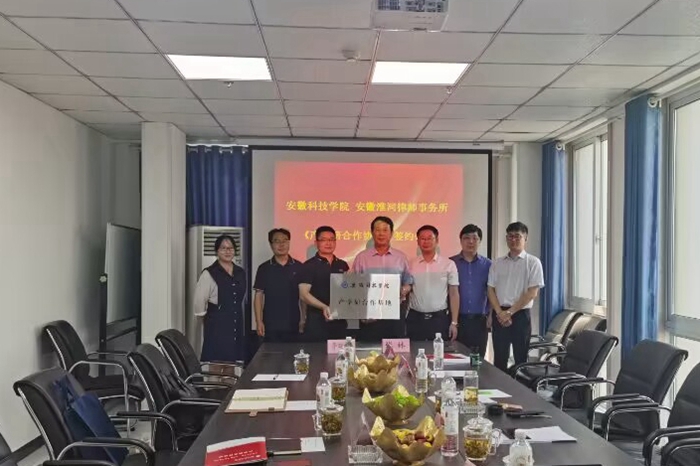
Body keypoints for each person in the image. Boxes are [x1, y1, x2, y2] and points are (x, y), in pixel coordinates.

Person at [487, 222, 545, 372]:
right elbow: (490, 289)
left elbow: (532, 293)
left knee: (521, 358)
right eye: (510, 236)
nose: (513, 240)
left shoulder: (533, 262)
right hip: (500, 314)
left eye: (517, 236)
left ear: (526, 238)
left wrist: (510, 312)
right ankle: (499, 386)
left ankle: (520, 386)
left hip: (520, 315)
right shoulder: (497, 263)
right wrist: (500, 312)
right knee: (500, 358)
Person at [352, 216, 412, 341]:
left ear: (391, 233)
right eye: (378, 230)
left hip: (394, 314)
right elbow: (354, 286)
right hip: (370, 315)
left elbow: (408, 282)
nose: (381, 234)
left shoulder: (401, 257)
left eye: (385, 230)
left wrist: (404, 289)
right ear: (372, 232)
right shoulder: (362, 257)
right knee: (369, 349)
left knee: (395, 350)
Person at [193, 234, 247, 364]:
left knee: (236, 363)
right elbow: (199, 304)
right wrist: (209, 323)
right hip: (217, 326)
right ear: (217, 251)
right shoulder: (209, 273)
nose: (227, 251)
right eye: (223, 248)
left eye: (230, 248)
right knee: (217, 363)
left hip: (237, 323)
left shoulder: (240, 272)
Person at [407, 225, 459, 341]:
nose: (426, 242)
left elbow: (454, 294)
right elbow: (407, 289)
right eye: (423, 238)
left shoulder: (448, 264)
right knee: (414, 350)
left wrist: (454, 322)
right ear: (418, 242)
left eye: (430, 238)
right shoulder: (410, 264)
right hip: (415, 319)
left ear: (437, 240)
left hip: (439, 319)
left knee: (438, 351)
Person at [253, 228, 305, 343]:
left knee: (292, 353)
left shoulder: (299, 267)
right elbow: (258, 296)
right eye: (277, 241)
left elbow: (303, 297)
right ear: (271, 245)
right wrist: (259, 321)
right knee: (271, 354)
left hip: (293, 322)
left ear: (289, 242)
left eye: (285, 240)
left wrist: (303, 318)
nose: (281, 244)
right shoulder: (264, 268)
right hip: (270, 324)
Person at [298, 226, 350, 341]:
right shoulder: (308, 266)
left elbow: (348, 290)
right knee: (317, 352)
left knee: (339, 351)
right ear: (316, 243)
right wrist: (324, 307)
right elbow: (303, 294)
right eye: (324, 240)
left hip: (339, 321)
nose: (328, 243)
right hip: (316, 321)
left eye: (331, 239)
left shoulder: (342, 265)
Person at [450, 224, 492, 359]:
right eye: (466, 238)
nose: (471, 242)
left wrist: (491, 315)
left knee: (477, 361)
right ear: (460, 240)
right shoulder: (451, 263)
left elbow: (493, 291)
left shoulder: (489, 265)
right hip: (456, 321)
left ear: (480, 241)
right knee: (456, 359)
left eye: (475, 238)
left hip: (479, 322)